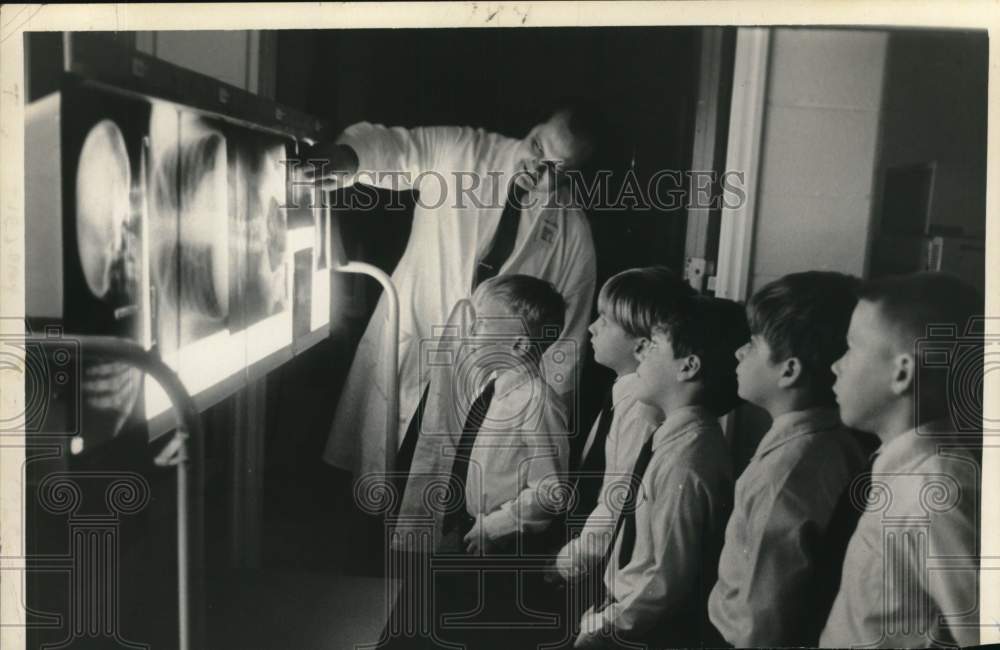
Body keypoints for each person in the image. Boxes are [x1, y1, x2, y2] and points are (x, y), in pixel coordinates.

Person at [310, 103, 600, 482]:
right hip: (415, 335)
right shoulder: (465, 150)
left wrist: (535, 425)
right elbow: (399, 148)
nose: (537, 168)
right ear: (534, 127)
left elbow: (568, 342)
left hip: (486, 383)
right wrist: (349, 159)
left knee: (444, 495)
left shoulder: (571, 232)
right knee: (381, 472)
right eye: (537, 148)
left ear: (573, 175)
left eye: (555, 168)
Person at [708, 271, 874, 647]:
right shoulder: (832, 441)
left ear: (789, 370)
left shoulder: (786, 471)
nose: (738, 352)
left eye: (751, 344)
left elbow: (760, 620)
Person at [573, 295, 746, 649]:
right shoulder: (670, 440)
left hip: (638, 630)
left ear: (688, 366)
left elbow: (663, 581)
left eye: (652, 347)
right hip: (618, 607)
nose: (640, 354)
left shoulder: (687, 461)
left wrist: (605, 628)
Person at [819, 272, 982, 648]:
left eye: (851, 347)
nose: (836, 365)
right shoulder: (899, 473)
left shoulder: (935, 491)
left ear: (902, 373)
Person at [550, 267, 692, 595]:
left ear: (642, 345)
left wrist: (573, 559)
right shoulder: (622, 394)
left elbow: (617, 497)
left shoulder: (640, 409)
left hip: (600, 567)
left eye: (605, 319)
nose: (591, 327)